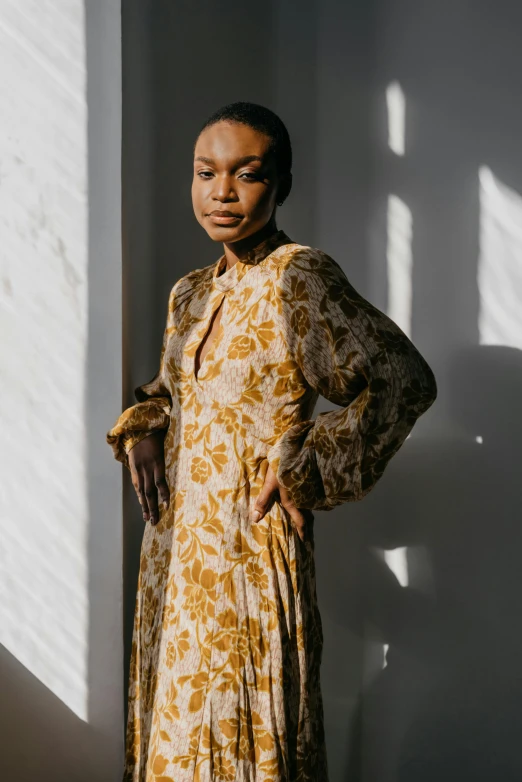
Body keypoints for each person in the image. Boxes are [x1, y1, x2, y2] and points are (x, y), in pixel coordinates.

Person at [107, 101, 437, 782]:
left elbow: (403, 380)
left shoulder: (300, 277)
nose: (221, 192)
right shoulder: (191, 292)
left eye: (247, 174)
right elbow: (175, 391)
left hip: (248, 550)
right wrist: (144, 429)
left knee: (240, 740)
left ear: (280, 183)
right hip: (172, 553)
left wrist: (304, 464)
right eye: (206, 173)